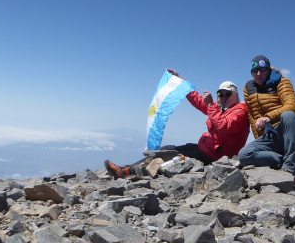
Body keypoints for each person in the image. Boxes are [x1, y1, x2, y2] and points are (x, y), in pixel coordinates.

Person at [104, 69, 250, 179]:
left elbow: (223, 126)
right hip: (205, 149)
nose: (223, 97)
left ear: (235, 95)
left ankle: (128, 172)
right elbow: (199, 102)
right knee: (167, 149)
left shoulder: (240, 111)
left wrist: (211, 106)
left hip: (215, 156)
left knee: (170, 156)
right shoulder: (220, 109)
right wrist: (181, 82)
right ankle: (128, 169)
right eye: (221, 94)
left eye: (227, 94)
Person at [238, 55, 295, 176]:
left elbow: (292, 105)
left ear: (268, 70)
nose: (258, 74)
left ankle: (290, 170)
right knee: (244, 155)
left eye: (262, 70)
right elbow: (253, 116)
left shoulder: (282, 82)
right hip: (270, 135)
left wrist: (268, 117)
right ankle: (284, 160)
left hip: (289, 130)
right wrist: (259, 140)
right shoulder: (248, 88)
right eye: (255, 71)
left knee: (289, 115)